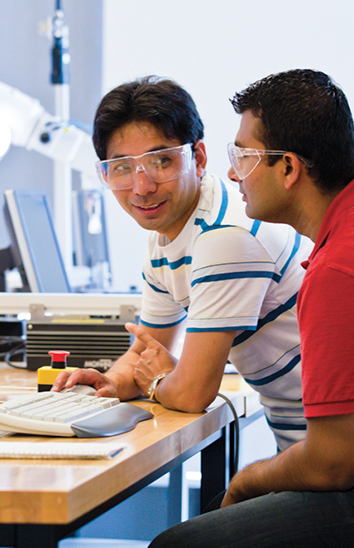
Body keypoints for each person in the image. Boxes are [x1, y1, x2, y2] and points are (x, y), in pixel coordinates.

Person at [149, 69, 354, 548]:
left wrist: (248, 480)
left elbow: (332, 462)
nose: (235, 172)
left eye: (244, 156)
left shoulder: (336, 271)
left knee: (176, 545)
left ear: (289, 168)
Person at [52, 76, 310, 451]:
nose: (142, 187)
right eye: (122, 167)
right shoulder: (169, 232)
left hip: (329, 459)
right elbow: (147, 348)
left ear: (199, 158)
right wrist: (110, 381)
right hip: (303, 445)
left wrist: (159, 382)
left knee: (225, 502)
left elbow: (191, 394)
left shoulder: (225, 235)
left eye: (161, 161)